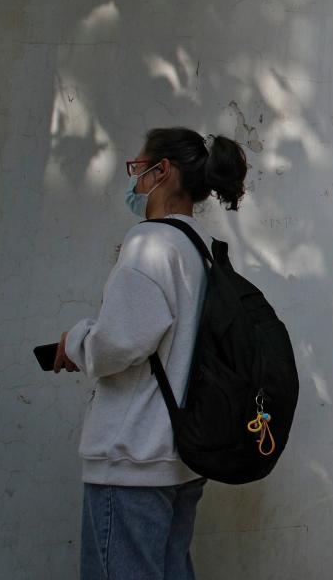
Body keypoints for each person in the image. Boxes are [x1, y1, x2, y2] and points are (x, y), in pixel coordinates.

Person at [52, 127, 248, 580]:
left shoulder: (150, 244)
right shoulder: (199, 249)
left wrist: (76, 341)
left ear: (164, 171)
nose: (135, 183)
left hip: (134, 460)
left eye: (138, 170)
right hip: (179, 458)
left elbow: (120, 342)